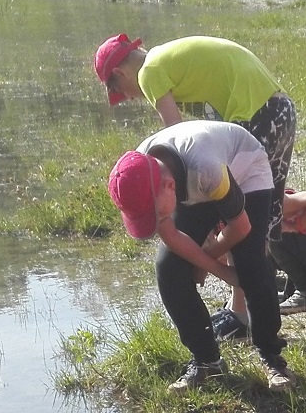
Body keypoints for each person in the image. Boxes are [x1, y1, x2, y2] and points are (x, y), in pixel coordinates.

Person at [94, 33, 299, 336]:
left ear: (120, 73)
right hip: (280, 109)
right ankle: (264, 295)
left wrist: (203, 256)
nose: (130, 98)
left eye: (121, 92)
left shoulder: (150, 72)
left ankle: (241, 313)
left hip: (255, 114)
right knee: (265, 212)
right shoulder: (165, 59)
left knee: (234, 211)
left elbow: (179, 135)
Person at [105, 120, 294, 392]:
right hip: (200, 181)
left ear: (170, 186)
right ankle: (207, 360)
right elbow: (172, 237)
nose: (155, 221)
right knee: (169, 268)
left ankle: (272, 357)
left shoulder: (205, 168)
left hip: (245, 170)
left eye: (155, 214)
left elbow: (240, 227)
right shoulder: (140, 172)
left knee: (251, 263)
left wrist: (211, 261)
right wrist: (211, 267)